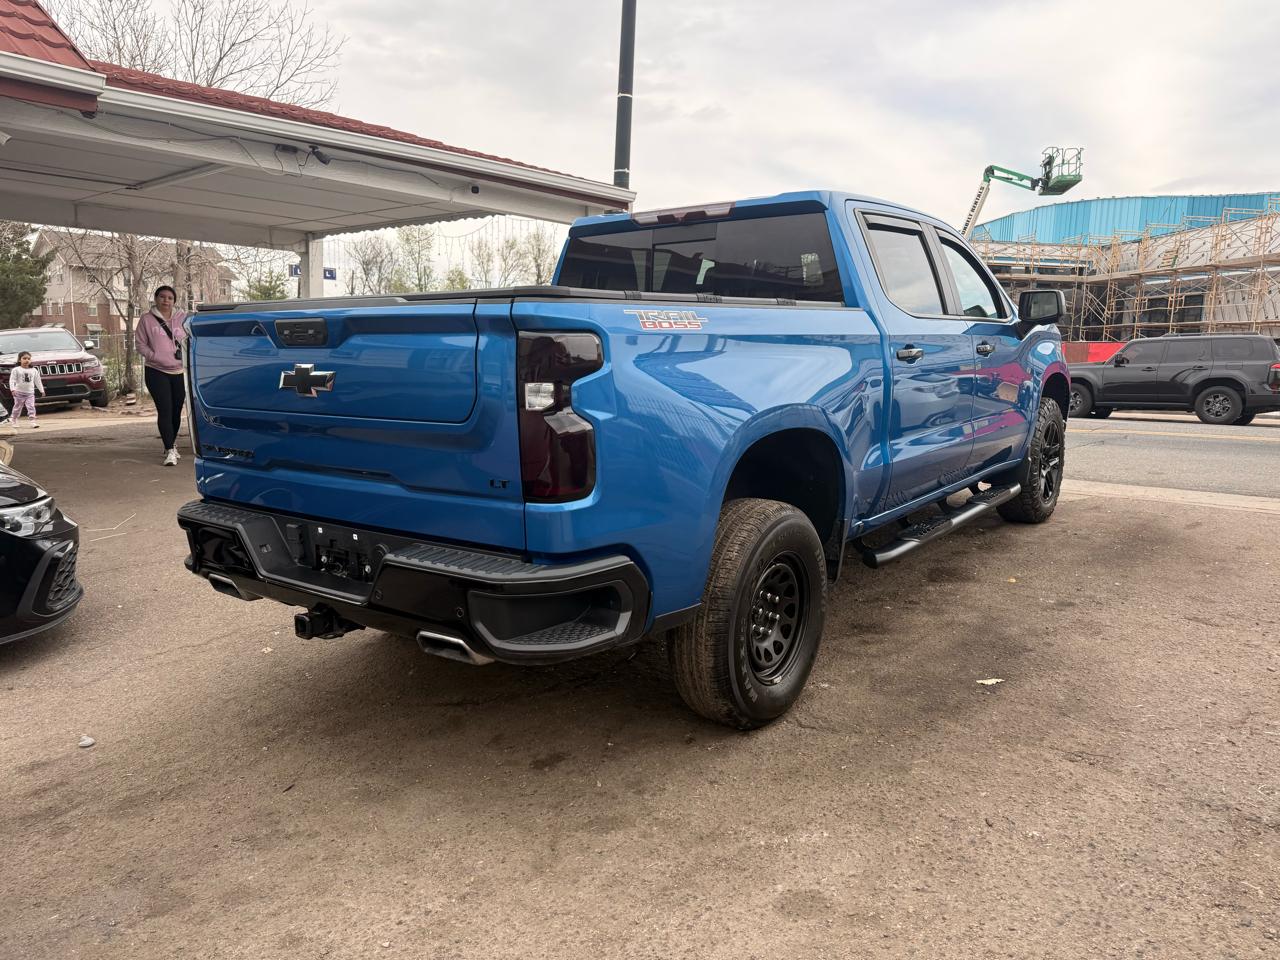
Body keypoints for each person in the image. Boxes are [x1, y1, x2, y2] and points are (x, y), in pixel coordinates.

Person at [136, 285, 188, 466]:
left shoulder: (183, 318)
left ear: (174, 301)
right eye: (162, 297)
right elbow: (140, 344)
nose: (166, 300)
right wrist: (154, 356)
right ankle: (170, 450)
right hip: (156, 371)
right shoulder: (146, 319)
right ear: (156, 299)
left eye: (170, 298)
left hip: (179, 371)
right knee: (165, 409)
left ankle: (171, 443)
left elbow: (190, 339)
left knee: (176, 411)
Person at [8, 351, 44, 428]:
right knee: (17, 407)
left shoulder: (34, 370)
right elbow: (12, 380)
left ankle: (32, 421)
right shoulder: (16, 370)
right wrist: (12, 389)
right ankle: (14, 419)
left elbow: (38, 381)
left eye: (28, 359)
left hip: (30, 393)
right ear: (19, 360)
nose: (27, 360)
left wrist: (41, 390)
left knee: (31, 406)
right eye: (24, 358)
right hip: (18, 393)